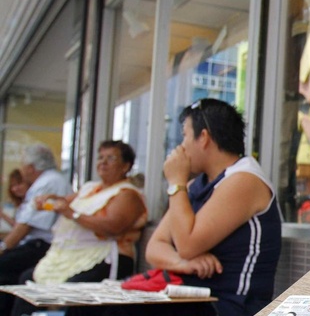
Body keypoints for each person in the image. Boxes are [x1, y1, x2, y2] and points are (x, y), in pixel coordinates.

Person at [97, 99, 281, 316]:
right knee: (99, 310)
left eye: (184, 135)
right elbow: (155, 247)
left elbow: (187, 244)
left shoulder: (244, 179)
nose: (180, 147)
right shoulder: (195, 184)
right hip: (193, 296)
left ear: (203, 137)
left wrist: (176, 183)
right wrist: (183, 263)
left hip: (231, 305)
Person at [10, 140, 148, 316]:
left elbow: (113, 227)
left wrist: (71, 213)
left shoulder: (128, 194)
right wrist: (49, 200)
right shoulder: (91, 187)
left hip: (107, 256)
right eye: (100, 157)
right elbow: (64, 202)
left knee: (73, 289)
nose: (103, 163)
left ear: (125, 166)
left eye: (111, 158)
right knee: (28, 279)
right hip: (71, 255)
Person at [0, 144, 72, 315]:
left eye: (23, 164)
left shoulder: (49, 182)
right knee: (7, 278)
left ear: (31, 168)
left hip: (43, 245)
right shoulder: (48, 180)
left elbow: (26, 225)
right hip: (38, 244)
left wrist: (3, 248)